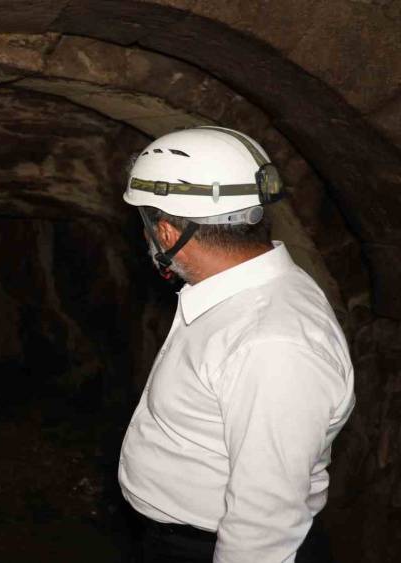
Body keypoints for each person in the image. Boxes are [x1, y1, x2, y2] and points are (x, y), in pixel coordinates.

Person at [117, 126, 355, 563]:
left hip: (209, 548)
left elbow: (265, 521)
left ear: (167, 232)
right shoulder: (239, 292)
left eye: (146, 223)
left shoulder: (272, 345)